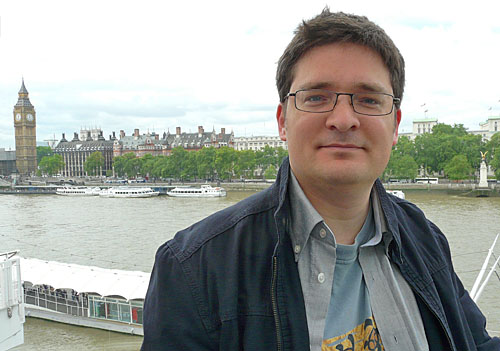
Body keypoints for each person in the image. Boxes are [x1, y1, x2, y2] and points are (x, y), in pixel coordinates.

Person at [141, 8, 500, 351]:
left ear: (395, 125)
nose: (343, 119)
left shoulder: (426, 237)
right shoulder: (193, 268)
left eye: (369, 100)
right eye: (316, 97)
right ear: (283, 122)